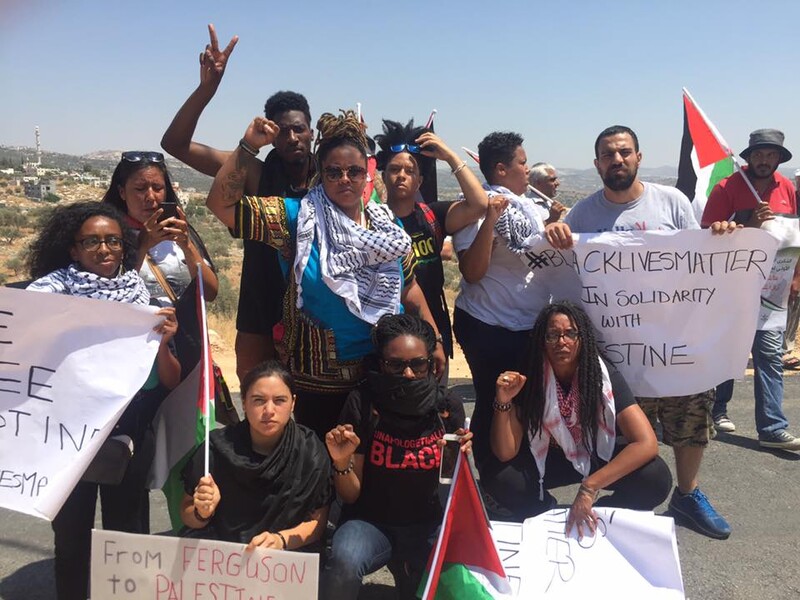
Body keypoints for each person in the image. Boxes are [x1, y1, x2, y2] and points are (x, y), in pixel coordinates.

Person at [205, 111, 446, 439]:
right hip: (318, 384)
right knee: (322, 475)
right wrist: (248, 147)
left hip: (382, 374)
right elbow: (221, 205)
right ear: (321, 172)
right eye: (334, 172)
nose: (345, 179)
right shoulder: (296, 216)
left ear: (367, 175)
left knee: (373, 476)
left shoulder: (388, 228)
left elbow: (410, 288)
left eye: (354, 171)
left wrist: (436, 340)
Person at [563, 125, 736, 540]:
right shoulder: (583, 214)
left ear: (638, 156)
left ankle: (688, 494)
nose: (616, 160)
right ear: (597, 163)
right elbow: (566, 269)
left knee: (691, 421)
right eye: (608, 154)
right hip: (618, 350)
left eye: (624, 152)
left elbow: (699, 258)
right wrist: (557, 236)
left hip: (678, 342)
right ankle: (629, 499)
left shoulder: (672, 201)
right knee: (624, 433)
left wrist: (720, 237)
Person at [26, 201, 180, 600]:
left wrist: (164, 342)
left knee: (128, 536)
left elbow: (167, 379)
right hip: (66, 435)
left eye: (112, 240)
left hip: (126, 430)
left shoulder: (138, 293)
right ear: (74, 249)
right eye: (91, 241)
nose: (104, 249)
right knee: (72, 537)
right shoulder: (45, 296)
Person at [161, 25, 315, 382]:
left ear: (312, 132)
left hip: (317, 318)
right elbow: (175, 143)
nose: (293, 137)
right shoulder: (255, 173)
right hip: (260, 311)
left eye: (300, 129)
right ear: (271, 135)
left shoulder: (333, 178)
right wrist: (207, 90)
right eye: (283, 130)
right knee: (259, 406)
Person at [481, 302, 671, 531]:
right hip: (550, 456)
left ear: (582, 338)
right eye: (552, 335)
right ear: (542, 340)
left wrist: (589, 488)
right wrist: (504, 401)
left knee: (655, 477)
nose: (562, 342)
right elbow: (506, 452)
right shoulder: (528, 375)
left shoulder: (603, 376)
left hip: (594, 451)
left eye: (570, 333)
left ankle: (603, 515)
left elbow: (646, 443)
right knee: (499, 477)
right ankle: (544, 512)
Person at [321, 314, 470, 600]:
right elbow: (351, 497)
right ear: (380, 364)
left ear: (431, 363)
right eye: (396, 365)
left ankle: (410, 574)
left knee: (460, 565)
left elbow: (450, 484)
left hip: (428, 524)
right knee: (344, 560)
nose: (409, 374)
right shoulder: (363, 403)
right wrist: (341, 462)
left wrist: (462, 456)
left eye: (418, 364)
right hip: (371, 522)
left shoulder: (446, 407)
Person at [452, 131, 570, 460]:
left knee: (523, 401)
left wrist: (551, 222)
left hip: (525, 325)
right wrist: (490, 218)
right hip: (489, 325)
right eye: (523, 162)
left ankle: (521, 467)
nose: (527, 167)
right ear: (502, 170)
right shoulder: (478, 207)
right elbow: (472, 272)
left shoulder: (527, 207)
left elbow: (529, 250)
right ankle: (494, 481)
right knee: (496, 403)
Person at [701, 129, 800, 451]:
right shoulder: (727, 188)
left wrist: (795, 277)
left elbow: (791, 238)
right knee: (729, 351)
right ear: (748, 157)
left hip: (773, 289)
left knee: (769, 354)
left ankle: (772, 427)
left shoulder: (786, 188)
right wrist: (751, 226)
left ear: (779, 158)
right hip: (731, 287)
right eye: (758, 154)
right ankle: (718, 409)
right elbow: (706, 237)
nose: (764, 160)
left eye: (771, 155)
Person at [374, 118, 489, 375]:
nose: (402, 175)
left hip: (433, 330)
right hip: (388, 332)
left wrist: (449, 156)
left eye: (410, 170)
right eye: (395, 169)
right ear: (384, 175)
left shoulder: (432, 216)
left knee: (435, 405)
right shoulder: (372, 220)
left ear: (420, 181)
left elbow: (480, 204)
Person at [180, 361, 332, 550]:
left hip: (286, 558)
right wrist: (201, 513)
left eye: (280, 400)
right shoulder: (216, 448)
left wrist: (280, 540)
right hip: (222, 559)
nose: (269, 411)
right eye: (258, 400)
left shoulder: (310, 451)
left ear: (293, 403)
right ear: (244, 402)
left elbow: (317, 522)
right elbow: (187, 512)